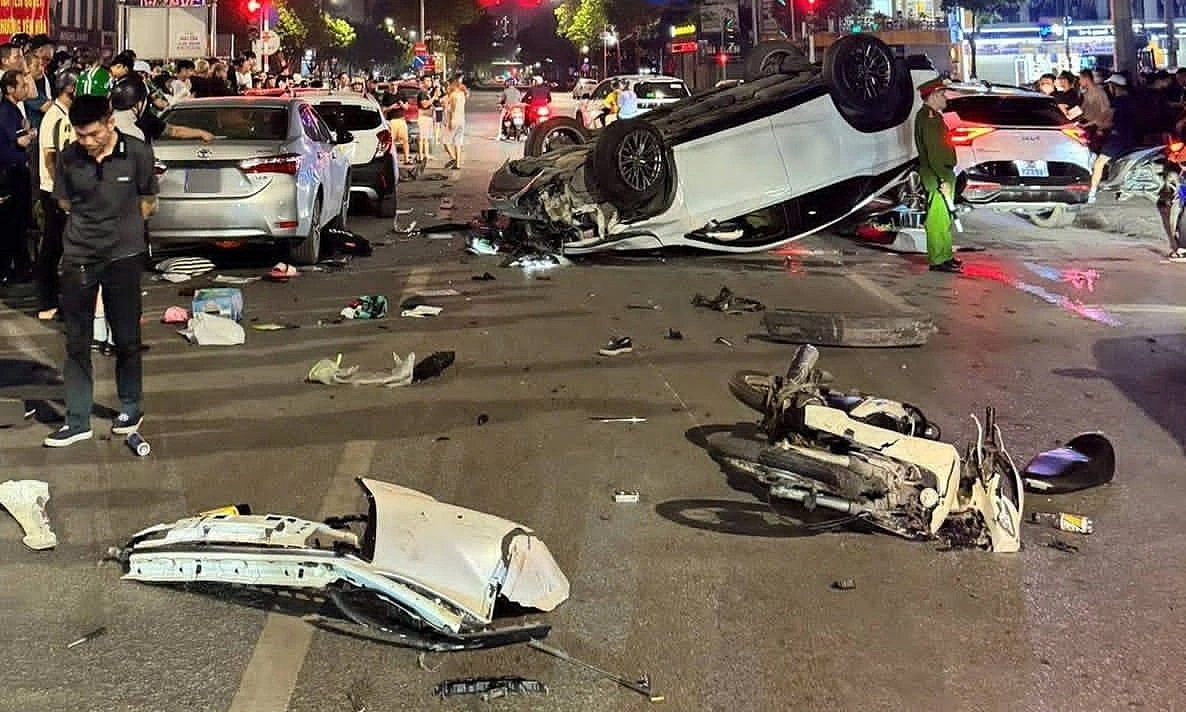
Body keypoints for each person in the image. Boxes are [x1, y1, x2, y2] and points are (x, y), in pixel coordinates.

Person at [45, 94, 158, 447]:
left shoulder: (138, 152)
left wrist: (121, 230)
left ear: (110, 122)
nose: (87, 142)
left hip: (123, 257)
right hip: (79, 255)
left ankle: (130, 406)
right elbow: (64, 202)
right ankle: (77, 420)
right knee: (76, 341)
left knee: (126, 338)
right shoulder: (69, 157)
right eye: (81, 136)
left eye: (93, 134)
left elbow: (148, 201)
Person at [35, 65, 79, 321]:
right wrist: (62, 191)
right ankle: (47, 302)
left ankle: (54, 299)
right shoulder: (55, 117)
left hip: (60, 190)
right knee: (52, 249)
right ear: (70, 89)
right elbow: (50, 159)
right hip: (53, 191)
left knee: (59, 248)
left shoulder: (64, 114)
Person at [913, 77, 961, 274]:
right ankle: (938, 258)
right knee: (938, 218)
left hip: (940, 172)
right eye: (941, 95)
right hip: (938, 174)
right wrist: (943, 179)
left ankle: (945, 255)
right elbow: (934, 152)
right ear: (932, 96)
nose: (945, 99)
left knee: (944, 217)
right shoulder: (930, 118)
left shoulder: (931, 116)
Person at [0, 68, 35, 286]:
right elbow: (21, 140)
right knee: (10, 224)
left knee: (19, 223)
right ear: (10, 89)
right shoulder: (6, 112)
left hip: (17, 171)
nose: (25, 88)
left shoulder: (15, 110)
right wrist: (31, 134)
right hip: (10, 174)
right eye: (22, 85)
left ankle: (20, 267)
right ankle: (9, 269)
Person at [441, 76, 467, 170]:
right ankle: (458, 164)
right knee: (458, 142)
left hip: (454, 120)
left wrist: (450, 121)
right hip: (462, 120)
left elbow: (452, 109)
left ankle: (453, 158)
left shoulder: (453, 95)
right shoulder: (462, 94)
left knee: (445, 141)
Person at [381, 90, 412, 165]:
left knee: (405, 140)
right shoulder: (386, 96)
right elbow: (383, 109)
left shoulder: (402, 94)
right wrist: (392, 107)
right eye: (392, 85)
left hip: (401, 120)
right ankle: (391, 160)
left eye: (395, 84)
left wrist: (401, 104)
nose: (393, 87)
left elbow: (407, 107)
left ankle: (406, 159)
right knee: (390, 142)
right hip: (391, 121)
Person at [416, 77, 435, 157]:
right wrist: (434, 98)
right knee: (422, 138)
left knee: (426, 138)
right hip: (423, 117)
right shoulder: (423, 92)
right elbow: (424, 105)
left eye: (430, 80)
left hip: (428, 116)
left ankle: (426, 154)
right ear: (423, 82)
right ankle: (421, 155)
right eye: (427, 80)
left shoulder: (427, 92)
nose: (430, 82)